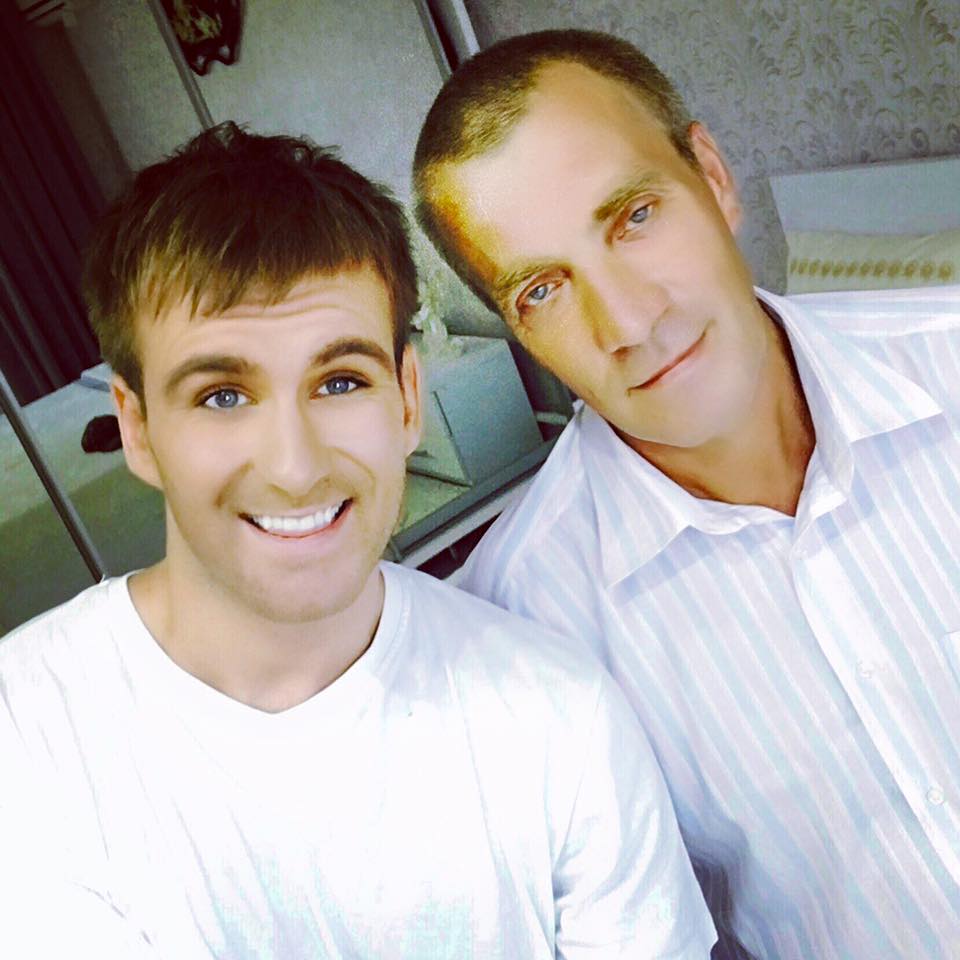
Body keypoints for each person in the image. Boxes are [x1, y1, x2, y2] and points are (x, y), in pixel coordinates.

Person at [0, 123, 715, 959]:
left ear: (407, 399)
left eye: (340, 382)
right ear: (138, 428)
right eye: (223, 396)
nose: (296, 467)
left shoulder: (561, 716)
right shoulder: (25, 737)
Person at [413, 28, 960, 960]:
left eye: (633, 217)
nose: (629, 321)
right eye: (543, 289)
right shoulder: (524, 629)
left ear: (712, 177)